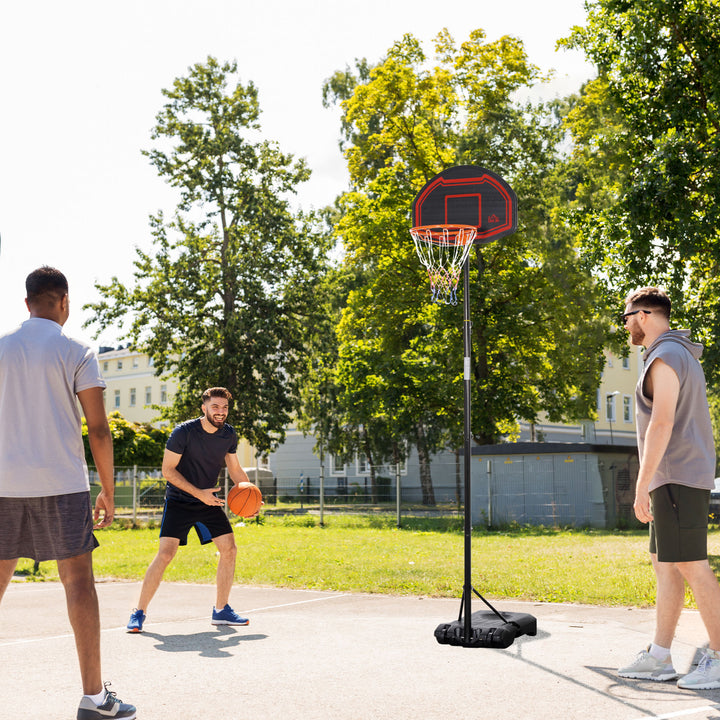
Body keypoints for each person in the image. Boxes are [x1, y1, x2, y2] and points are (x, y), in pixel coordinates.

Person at [0, 267, 135, 720]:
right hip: (62, 484)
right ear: (64, 301)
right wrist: (108, 492)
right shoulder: (78, 350)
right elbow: (98, 428)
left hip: (3, 484)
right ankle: (94, 699)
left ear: (27, 303)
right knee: (78, 583)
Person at [617, 287, 720, 689]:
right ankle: (660, 655)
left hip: (675, 475)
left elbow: (662, 423)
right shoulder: (680, 355)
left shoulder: (666, 356)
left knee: (692, 565)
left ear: (642, 315)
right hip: (672, 476)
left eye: (625, 317)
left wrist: (641, 485)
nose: (624, 325)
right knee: (667, 566)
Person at [127, 387, 255, 632]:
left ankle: (221, 610)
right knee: (166, 553)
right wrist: (199, 494)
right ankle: (138, 612)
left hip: (209, 501)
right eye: (215, 406)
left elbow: (236, 469)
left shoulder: (228, 434)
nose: (220, 412)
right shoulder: (183, 432)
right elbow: (168, 471)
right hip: (179, 500)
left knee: (229, 549)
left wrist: (251, 493)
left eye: (225, 407)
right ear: (204, 408)